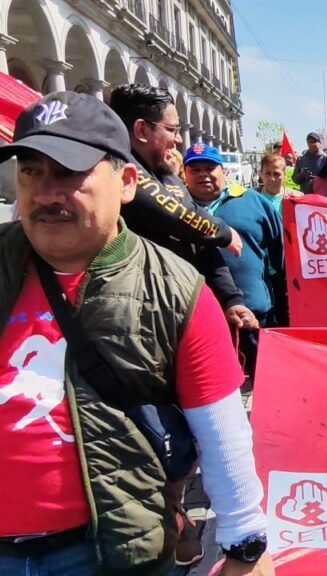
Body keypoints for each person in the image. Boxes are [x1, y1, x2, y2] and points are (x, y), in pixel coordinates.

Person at [0, 91, 273, 575]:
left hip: (107, 554)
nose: (45, 194)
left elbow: (223, 434)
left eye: (67, 172)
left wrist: (245, 547)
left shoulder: (176, 290)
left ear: (126, 182)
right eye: (31, 171)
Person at [108, 85, 254, 330]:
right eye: (171, 130)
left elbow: (198, 239)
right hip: (139, 317)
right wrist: (223, 232)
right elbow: (174, 213)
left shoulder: (164, 174)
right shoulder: (117, 165)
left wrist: (231, 299)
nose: (178, 139)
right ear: (141, 130)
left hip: (180, 309)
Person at [183, 143, 285, 378]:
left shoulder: (253, 201)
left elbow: (280, 258)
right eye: (195, 169)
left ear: (224, 171)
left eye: (210, 168)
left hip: (253, 318)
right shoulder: (175, 208)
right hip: (195, 323)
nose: (203, 174)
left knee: (266, 383)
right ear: (185, 173)